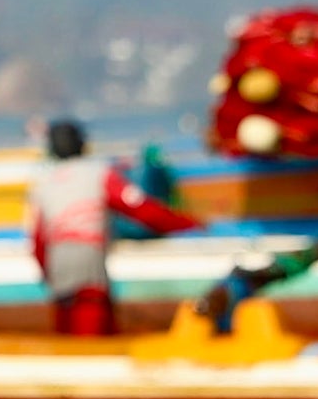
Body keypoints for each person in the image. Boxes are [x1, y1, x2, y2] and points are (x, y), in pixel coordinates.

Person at [23, 117, 196, 337]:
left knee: (67, 326)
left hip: (57, 262)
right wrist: (188, 224)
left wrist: (47, 273)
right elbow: (141, 209)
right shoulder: (98, 174)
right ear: (83, 144)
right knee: (93, 321)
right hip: (88, 258)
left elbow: (38, 238)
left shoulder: (43, 183)